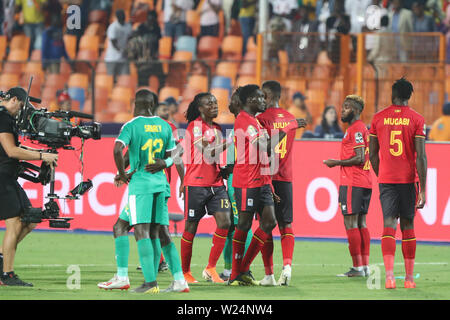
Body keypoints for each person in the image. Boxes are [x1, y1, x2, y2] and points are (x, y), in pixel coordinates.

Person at [97, 89, 177, 294]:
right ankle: (175, 280)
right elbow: (173, 155)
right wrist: (124, 170)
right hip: (160, 183)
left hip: (140, 185)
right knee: (129, 227)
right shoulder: (164, 125)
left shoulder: (132, 125)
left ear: (135, 104)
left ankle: (149, 282)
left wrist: (122, 175)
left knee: (143, 231)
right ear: (153, 104)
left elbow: (117, 149)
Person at [229, 84, 305, 286]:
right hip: (247, 181)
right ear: (251, 100)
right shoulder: (244, 121)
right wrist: (288, 127)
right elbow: (264, 146)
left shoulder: (255, 121)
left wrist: (269, 183)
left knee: (269, 221)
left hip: (262, 180)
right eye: (261, 98)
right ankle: (237, 271)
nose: (264, 101)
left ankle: (243, 268)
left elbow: (265, 153)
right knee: (244, 225)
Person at [369, 78, 427, 289]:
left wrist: (381, 174)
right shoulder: (417, 119)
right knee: (408, 225)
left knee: (389, 224)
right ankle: (409, 279)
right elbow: (421, 157)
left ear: (392, 94)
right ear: (410, 96)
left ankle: (390, 277)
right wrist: (424, 189)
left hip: (387, 180)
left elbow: (372, 155)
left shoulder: (378, 118)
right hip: (407, 180)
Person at [0, 87, 58, 286]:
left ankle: (2, 260)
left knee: (31, 219)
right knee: (15, 223)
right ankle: (7, 275)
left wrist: (38, 151)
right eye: (22, 106)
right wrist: (42, 156)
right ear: (14, 99)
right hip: (2, 178)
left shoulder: (5, 118)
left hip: (8, 178)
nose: (21, 111)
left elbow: (15, 147)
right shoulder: (3, 117)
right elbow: (11, 150)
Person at [256, 81, 306, 286]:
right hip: (285, 177)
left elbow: (264, 149)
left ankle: (268, 275)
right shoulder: (291, 118)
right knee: (286, 224)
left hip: (266, 177)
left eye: (261, 95)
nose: (260, 99)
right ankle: (287, 267)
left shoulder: (259, 120)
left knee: (265, 225)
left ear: (267, 95)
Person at [180, 92, 232, 284]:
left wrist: (223, 169)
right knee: (191, 228)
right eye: (209, 103)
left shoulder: (217, 128)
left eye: (215, 103)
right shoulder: (194, 127)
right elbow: (208, 153)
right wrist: (228, 143)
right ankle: (185, 272)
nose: (215, 106)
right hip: (197, 183)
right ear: (200, 108)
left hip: (216, 183)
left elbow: (214, 159)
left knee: (225, 222)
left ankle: (210, 268)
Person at [323, 95, 372, 277]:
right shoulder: (359, 129)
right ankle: (364, 266)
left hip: (353, 182)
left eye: (346, 107)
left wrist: (336, 162)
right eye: (342, 107)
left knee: (351, 222)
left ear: (356, 110)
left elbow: (360, 157)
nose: (342, 110)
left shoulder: (356, 130)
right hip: (364, 181)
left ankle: (357, 268)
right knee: (361, 223)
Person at [218, 87, 253, 282]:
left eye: (232, 101)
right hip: (235, 178)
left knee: (241, 224)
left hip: (240, 181)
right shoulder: (241, 123)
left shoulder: (244, 122)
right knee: (233, 225)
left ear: (239, 103)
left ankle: (241, 269)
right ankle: (229, 269)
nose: (229, 104)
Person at [127, 10, 164, 87]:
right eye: (150, 19)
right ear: (147, 18)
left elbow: (158, 40)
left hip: (153, 59)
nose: (151, 21)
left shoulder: (156, 28)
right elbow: (133, 43)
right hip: (142, 60)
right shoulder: (141, 28)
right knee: (143, 81)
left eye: (153, 20)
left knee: (160, 79)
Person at [105, 9, 133, 80]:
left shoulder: (128, 26)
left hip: (123, 58)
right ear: (117, 17)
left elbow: (130, 39)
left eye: (123, 15)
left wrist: (128, 50)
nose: (122, 17)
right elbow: (114, 42)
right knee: (111, 79)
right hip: (112, 58)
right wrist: (122, 50)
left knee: (125, 78)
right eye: (120, 16)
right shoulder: (113, 27)